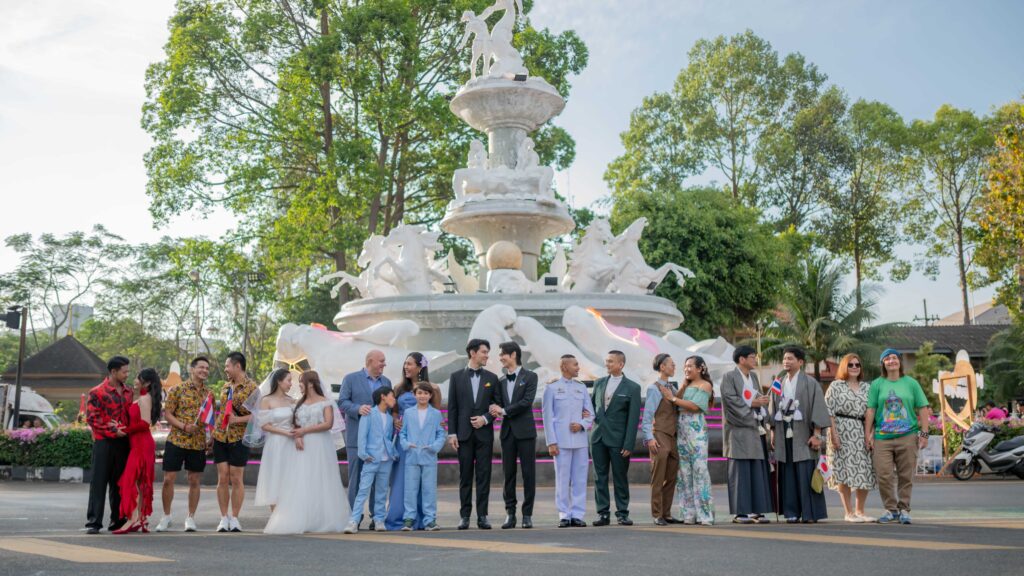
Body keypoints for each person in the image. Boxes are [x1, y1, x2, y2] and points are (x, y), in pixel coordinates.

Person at [264, 370, 350, 534]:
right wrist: (297, 436)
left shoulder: (325, 402)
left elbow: (328, 424)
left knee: (321, 478)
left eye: (301, 382)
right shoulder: (299, 403)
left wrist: (305, 431)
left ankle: (323, 518)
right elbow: (294, 422)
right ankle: (304, 517)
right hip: (302, 445)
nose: (298, 385)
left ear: (311, 383)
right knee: (302, 479)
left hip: (321, 444)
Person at [866, 349, 930, 525]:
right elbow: (871, 410)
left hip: (908, 437)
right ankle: (890, 509)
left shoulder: (911, 383)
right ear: (883, 364)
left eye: (894, 358)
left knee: (905, 476)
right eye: (887, 358)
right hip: (882, 438)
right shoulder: (877, 384)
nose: (891, 361)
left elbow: (923, 408)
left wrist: (924, 434)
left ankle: (904, 509)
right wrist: (867, 434)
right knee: (884, 475)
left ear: (900, 362)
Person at [769, 347, 831, 523]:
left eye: (790, 359)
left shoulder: (810, 383)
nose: (786, 362)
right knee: (787, 474)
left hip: (804, 433)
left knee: (806, 472)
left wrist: (817, 434)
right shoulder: (779, 382)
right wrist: (773, 431)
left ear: (800, 362)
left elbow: (818, 407)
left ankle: (810, 513)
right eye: (784, 359)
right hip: (783, 432)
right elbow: (773, 408)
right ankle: (791, 512)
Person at [155, 356, 212, 533]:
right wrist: (184, 426)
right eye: (201, 367)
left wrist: (210, 436)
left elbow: (210, 417)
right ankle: (166, 516)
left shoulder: (209, 393)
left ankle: (190, 517)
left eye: (207, 368)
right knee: (168, 479)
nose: (204, 370)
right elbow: (168, 414)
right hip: (177, 440)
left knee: (194, 480)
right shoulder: (177, 389)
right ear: (192, 369)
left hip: (197, 442)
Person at [447, 338, 499, 530]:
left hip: (484, 435)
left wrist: (485, 418)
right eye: (484, 352)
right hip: (464, 435)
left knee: (484, 476)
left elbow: (496, 407)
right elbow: (452, 408)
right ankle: (465, 516)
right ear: (472, 353)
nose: (487, 355)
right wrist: (452, 433)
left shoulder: (492, 379)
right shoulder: (456, 377)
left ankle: (483, 516)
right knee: (465, 476)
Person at [386, 352, 439, 530]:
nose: (406, 367)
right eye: (405, 364)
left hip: (425, 442)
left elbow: (436, 415)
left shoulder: (433, 389)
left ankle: (426, 517)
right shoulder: (399, 388)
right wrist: (395, 420)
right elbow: (393, 411)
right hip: (405, 442)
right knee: (402, 479)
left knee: (425, 481)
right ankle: (402, 517)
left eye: (409, 364)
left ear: (420, 367)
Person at [488, 341, 539, 530]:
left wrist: (503, 411)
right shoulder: (500, 381)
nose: (500, 358)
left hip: (525, 432)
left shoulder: (531, 376)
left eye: (503, 354)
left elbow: (527, 402)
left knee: (528, 474)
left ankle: (527, 515)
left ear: (514, 355)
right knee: (508, 475)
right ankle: (510, 513)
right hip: (507, 433)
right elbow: (497, 403)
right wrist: (494, 408)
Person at [720, 345, 773, 524]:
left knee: (757, 469)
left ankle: (757, 511)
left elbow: (756, 398)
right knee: (740, 471)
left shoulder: (754, 377)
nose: (755, 360)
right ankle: (740, 512)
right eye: (752, 357)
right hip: (738, 431)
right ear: (741, 359)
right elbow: (730, 400)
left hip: (754, 429)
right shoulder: (729, 377)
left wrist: (762, 402)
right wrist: (753, 403)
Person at [338, 349, 392, 523]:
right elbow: (343, 402)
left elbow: (389, 407)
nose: (384, 364)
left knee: (379, 480)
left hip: (379, 442)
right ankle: (355, 517)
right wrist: (358, 409)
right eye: (381, 361)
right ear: (370, 361)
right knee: (356, 478)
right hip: (356, 439)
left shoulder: (387, 381)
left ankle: (377, 516)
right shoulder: (350, 379)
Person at [589, 350, 641, 527]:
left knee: (620, 477)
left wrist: (629, 444)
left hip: (619, 441)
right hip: (597, 438)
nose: (607, 364)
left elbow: (633, 420)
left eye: (611, 361)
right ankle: (603, 513)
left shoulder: (633, 388)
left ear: (621, 364)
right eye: (606, 361)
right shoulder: (599, 383)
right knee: (599, 477)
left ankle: (622, 513)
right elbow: (590, 407)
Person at [543, 355, 595, 527]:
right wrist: (551, 442)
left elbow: (591, 414)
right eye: (575, 364)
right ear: (564, 366)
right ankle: (564, 514)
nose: (578, 367)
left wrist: (581, 424)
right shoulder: (551, 388)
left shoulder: (581, 388)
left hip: (580, 441)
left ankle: (578, 514)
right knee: (563, 479)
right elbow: (547, 417)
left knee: (580, 479)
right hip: (561, 442)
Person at [85, 356, 133, 534]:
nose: (127, 374)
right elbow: (92, 418)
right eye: (124, 371)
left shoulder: (129, 392)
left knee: (119, 483)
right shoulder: (96, 392)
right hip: (103, 441)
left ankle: (118, 520)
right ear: (113, 372)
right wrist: (113, 431)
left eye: (128, 371)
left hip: (123, 442)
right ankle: (94, 522)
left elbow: (130, 416)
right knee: (99, 482)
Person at [663, 356, 714, 525]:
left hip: (697, 431)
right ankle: (688, 514)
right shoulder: (686, 385)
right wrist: (683, 386)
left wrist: (673, 398)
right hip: (682, 431)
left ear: (700, 368)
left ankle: (705, 515)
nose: (686, 369)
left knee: (700, 471)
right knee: (684, 473)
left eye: (690, 366)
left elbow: (695, 406)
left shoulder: (705, 385)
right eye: (685, 366)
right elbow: (674, 404)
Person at [825, 353, 876, 523]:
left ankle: (860, 511)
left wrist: (870, 434)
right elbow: (829, 412)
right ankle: (848, 512)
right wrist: (834, 435)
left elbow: (872, 412)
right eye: (851, 365)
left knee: (864, 470)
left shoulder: (867, 388)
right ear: (844, 367)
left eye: (857, 365)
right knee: (843, 471)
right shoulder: (835, 386)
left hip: (861, 430)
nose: (854, 367)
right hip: (841, 429)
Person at [213, 351, 259, 533]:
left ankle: (235, 517)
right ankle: (223, 517)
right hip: (221, 436)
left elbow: (258, 416)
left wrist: (237, 421)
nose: (225, 369)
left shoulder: (253, 388)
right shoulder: (225, 387)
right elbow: (223, 411)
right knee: (222, 476)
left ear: (237, 366)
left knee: (236, 477)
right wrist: (214, 433)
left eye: (227, 366)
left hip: (240, 438)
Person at [113, 368, 161, 534]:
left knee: (130, 481)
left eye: (138, 378)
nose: (134, 380)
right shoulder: (141, 398)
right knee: (139, 484)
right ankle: (140, 519)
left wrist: (124, 431)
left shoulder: (145, 398)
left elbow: (144, 423)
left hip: (142, 444)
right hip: (137, 444)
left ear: (146, 383)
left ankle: (133, 519)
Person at [345, 387, 398, 534]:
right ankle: (354, 520)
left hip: (386, 459)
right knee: (363, 490)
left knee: (381, 491)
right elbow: (362, 435)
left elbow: (387, 438)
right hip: (371, 458)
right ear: (383, 397)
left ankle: (379, 519)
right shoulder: (369, 414)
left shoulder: (388, 418)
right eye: (392, 396)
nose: (394, 399)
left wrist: (393, 453)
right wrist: (363, 454)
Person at [399, 382, 446, 532]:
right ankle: (409, 520)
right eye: (419, 393)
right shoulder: (408, 413)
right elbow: (402, 433)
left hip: (429, 456)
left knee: (429, 489)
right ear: (414, 395)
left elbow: (441, 433)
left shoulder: (436, 414)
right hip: (412, 456)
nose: (422, 396)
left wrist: (434, 447)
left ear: (430, 395)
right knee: (410, 489)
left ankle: (430, 520)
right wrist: (406, 444)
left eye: (426, 393)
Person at [640, 353, 681, 526]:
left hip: (673, 437)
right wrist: (649, 438)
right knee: (658, 478)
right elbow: (647, 416)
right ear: (662, 367)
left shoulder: (673, 389)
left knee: (671, 477)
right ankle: (657, 514)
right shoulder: (653, 388)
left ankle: (667, 512)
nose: (674, 367)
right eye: (671, 364)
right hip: (659, 436)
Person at [254, 369, 297, 519]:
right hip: (276, 442)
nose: (291, 384)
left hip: (291, 444)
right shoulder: (266, 400)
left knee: (289, 477)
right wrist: (285, 432)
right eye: (289, 380)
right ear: (279, 381)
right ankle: (276, 516)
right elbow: (264, 425)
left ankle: (289, 513)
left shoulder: (292, 401)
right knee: (274, 476)